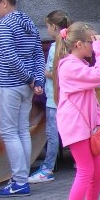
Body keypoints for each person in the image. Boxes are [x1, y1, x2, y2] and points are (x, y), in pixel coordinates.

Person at [53, 22, 100, 200]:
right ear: (78, 44)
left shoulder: (77, 63)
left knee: (98, 169)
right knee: (86, 170)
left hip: (86, 127)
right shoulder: (70, 66)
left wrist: (99, 123)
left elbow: (91, 96)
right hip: (75, 127)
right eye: (91, 41)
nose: (93, 45)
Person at [0, 0, 45, 198]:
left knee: (10, 131)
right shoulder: (28, 21)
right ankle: (22, 177)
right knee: (22, 130)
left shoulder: (4, 25)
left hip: (10, 85)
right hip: (27, 86)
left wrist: (31, 78)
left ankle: (19, 181)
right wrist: (36, 79)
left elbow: (11, 58)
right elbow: (38, 54)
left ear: (4, 2)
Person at [29, 10, 72, 184]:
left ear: (54, 27)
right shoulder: (69, 44)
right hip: (64, 96)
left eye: (47, 26)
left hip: (55, 97)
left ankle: (47, 168)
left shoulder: (57, 47)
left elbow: (56, 73)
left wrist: (42, 72)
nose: (46, 29)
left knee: (52, 133)